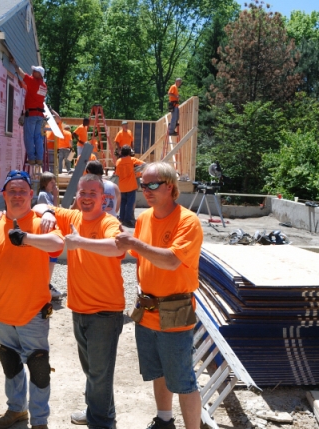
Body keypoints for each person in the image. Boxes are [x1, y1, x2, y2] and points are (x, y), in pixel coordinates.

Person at [114, 162, 203, 429]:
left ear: (170, 187)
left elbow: (171, 260)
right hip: (147, 308)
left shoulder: (187, 221)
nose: (147, 190)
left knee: (183, 380)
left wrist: (133, 242)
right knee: (158, 371)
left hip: (176, 308)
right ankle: (164, 420)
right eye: (143, 185)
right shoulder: (144, 218)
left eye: (153, 184)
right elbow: (137, 256)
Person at [33, 174, 125, 429]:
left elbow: (117, 247)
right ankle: (99, 412)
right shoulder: (73, 217)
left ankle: (101, 422)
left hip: (105, 311)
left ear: (103, 198)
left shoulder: (109, 222)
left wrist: (80, 242)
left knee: (99, 373)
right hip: (80, 309)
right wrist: (48, 211)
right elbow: (38, 205)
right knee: (93, 371)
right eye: (82, 193)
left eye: (92, 194)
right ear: (76, 195)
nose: (86, 198)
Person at [0, 170, 65, 429]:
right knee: (10, 361)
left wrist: (27, 238)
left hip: (33, 312)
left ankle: (39, 420)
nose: (17, 195)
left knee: (38, 365)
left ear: (30, 194)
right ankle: (16, 409)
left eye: (22, 191)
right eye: (12, 191)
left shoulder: (42, 223)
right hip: (2, 310)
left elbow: (57, 245)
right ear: (3, 195)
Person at [11, 58, 47, 165]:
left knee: (29, 137)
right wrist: (23, 86)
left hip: (31, 115)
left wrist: (14, 64)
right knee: (38, 137)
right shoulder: (43, 86)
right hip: (39, 115)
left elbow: (21, 73)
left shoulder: (33, 81)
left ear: (39, 74)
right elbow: (33, 91)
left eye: (35, 71)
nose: (32, 72)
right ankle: (39, 159)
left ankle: (31, 158)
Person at [37, 172, 64, 301]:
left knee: (52, 259)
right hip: (47, 231)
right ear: (45, 183)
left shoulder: (48, 194)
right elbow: (52, 209)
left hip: (50, 229)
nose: (54, 184)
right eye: (51, 182)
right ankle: (45, 286)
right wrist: (56, 196)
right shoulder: (43, 195)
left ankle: (46, 284)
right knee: (50, 259)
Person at [114, 145, 145, 228]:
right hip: (131, 185)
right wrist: (136, 170)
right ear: (129, 152)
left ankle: (121, 218)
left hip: (122, 186)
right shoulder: (132, 160)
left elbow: (117, 173)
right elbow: (143, 164)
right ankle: (127, 220)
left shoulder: (118, 161)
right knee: (130, 204)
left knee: (123, 203)